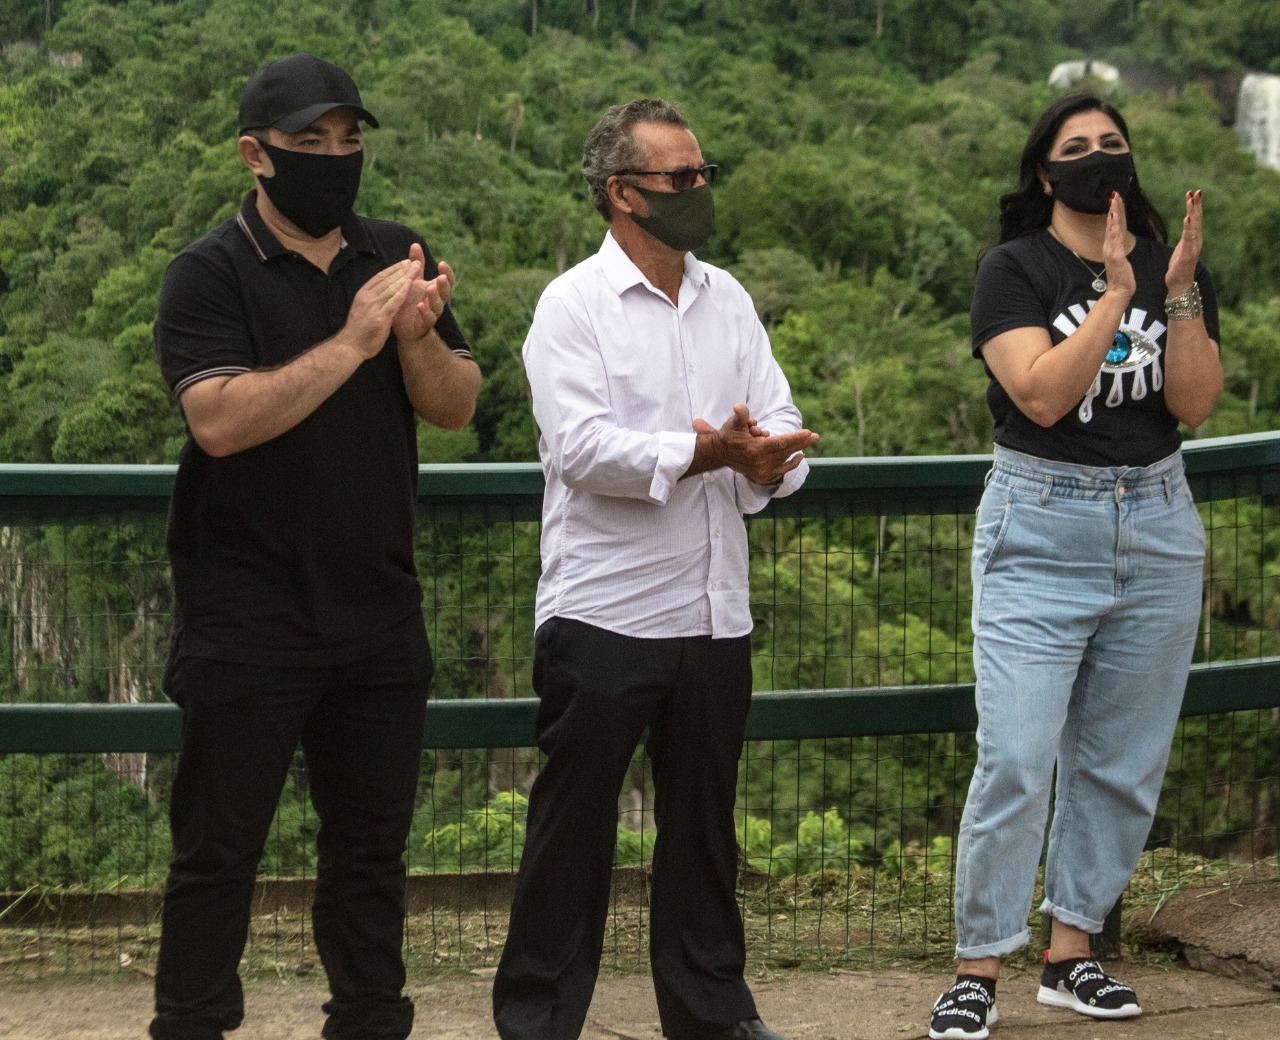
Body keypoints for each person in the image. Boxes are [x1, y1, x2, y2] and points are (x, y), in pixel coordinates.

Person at [150, 53, 481, 1040]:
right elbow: (218, 420)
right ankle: (191, 1023)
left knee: (371, 855)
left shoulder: (395, 254)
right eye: (309, 141)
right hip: (244, 619)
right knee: (217, 854)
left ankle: (370, 1019)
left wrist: (414, 335)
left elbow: (457, 404)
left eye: (348, 139)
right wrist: (353, 339)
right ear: (256, 154)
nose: (334, 158)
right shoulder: (207, 272)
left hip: (377, 613)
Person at [491, 99, 819, 1040]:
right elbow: (582, 449)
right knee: (574, 830)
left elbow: (777, 417)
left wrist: (770, 460)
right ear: (621, 194)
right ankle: (539, 1021)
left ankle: (713, 1016)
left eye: (703, 172)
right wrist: (709, 451)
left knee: (704, 831)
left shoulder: (729, 299)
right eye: (680, 177)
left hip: (714, 612)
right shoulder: (572, 306)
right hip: (606, 613)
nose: (699, 189)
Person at [928, 94, 1223, 1040]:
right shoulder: (1013, 269)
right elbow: (1041, 396)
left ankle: (1071, 952)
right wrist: (1113, 293)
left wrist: (1177, 289)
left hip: (1159, 521)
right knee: (1017, 758)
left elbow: (1194, 402)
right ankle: (979, 967)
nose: (1100, 157)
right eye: (1077, 146)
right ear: (1046, 173)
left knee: (1121, 762)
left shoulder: (1177, 270)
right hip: (1041, 524)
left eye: (1113, 143)